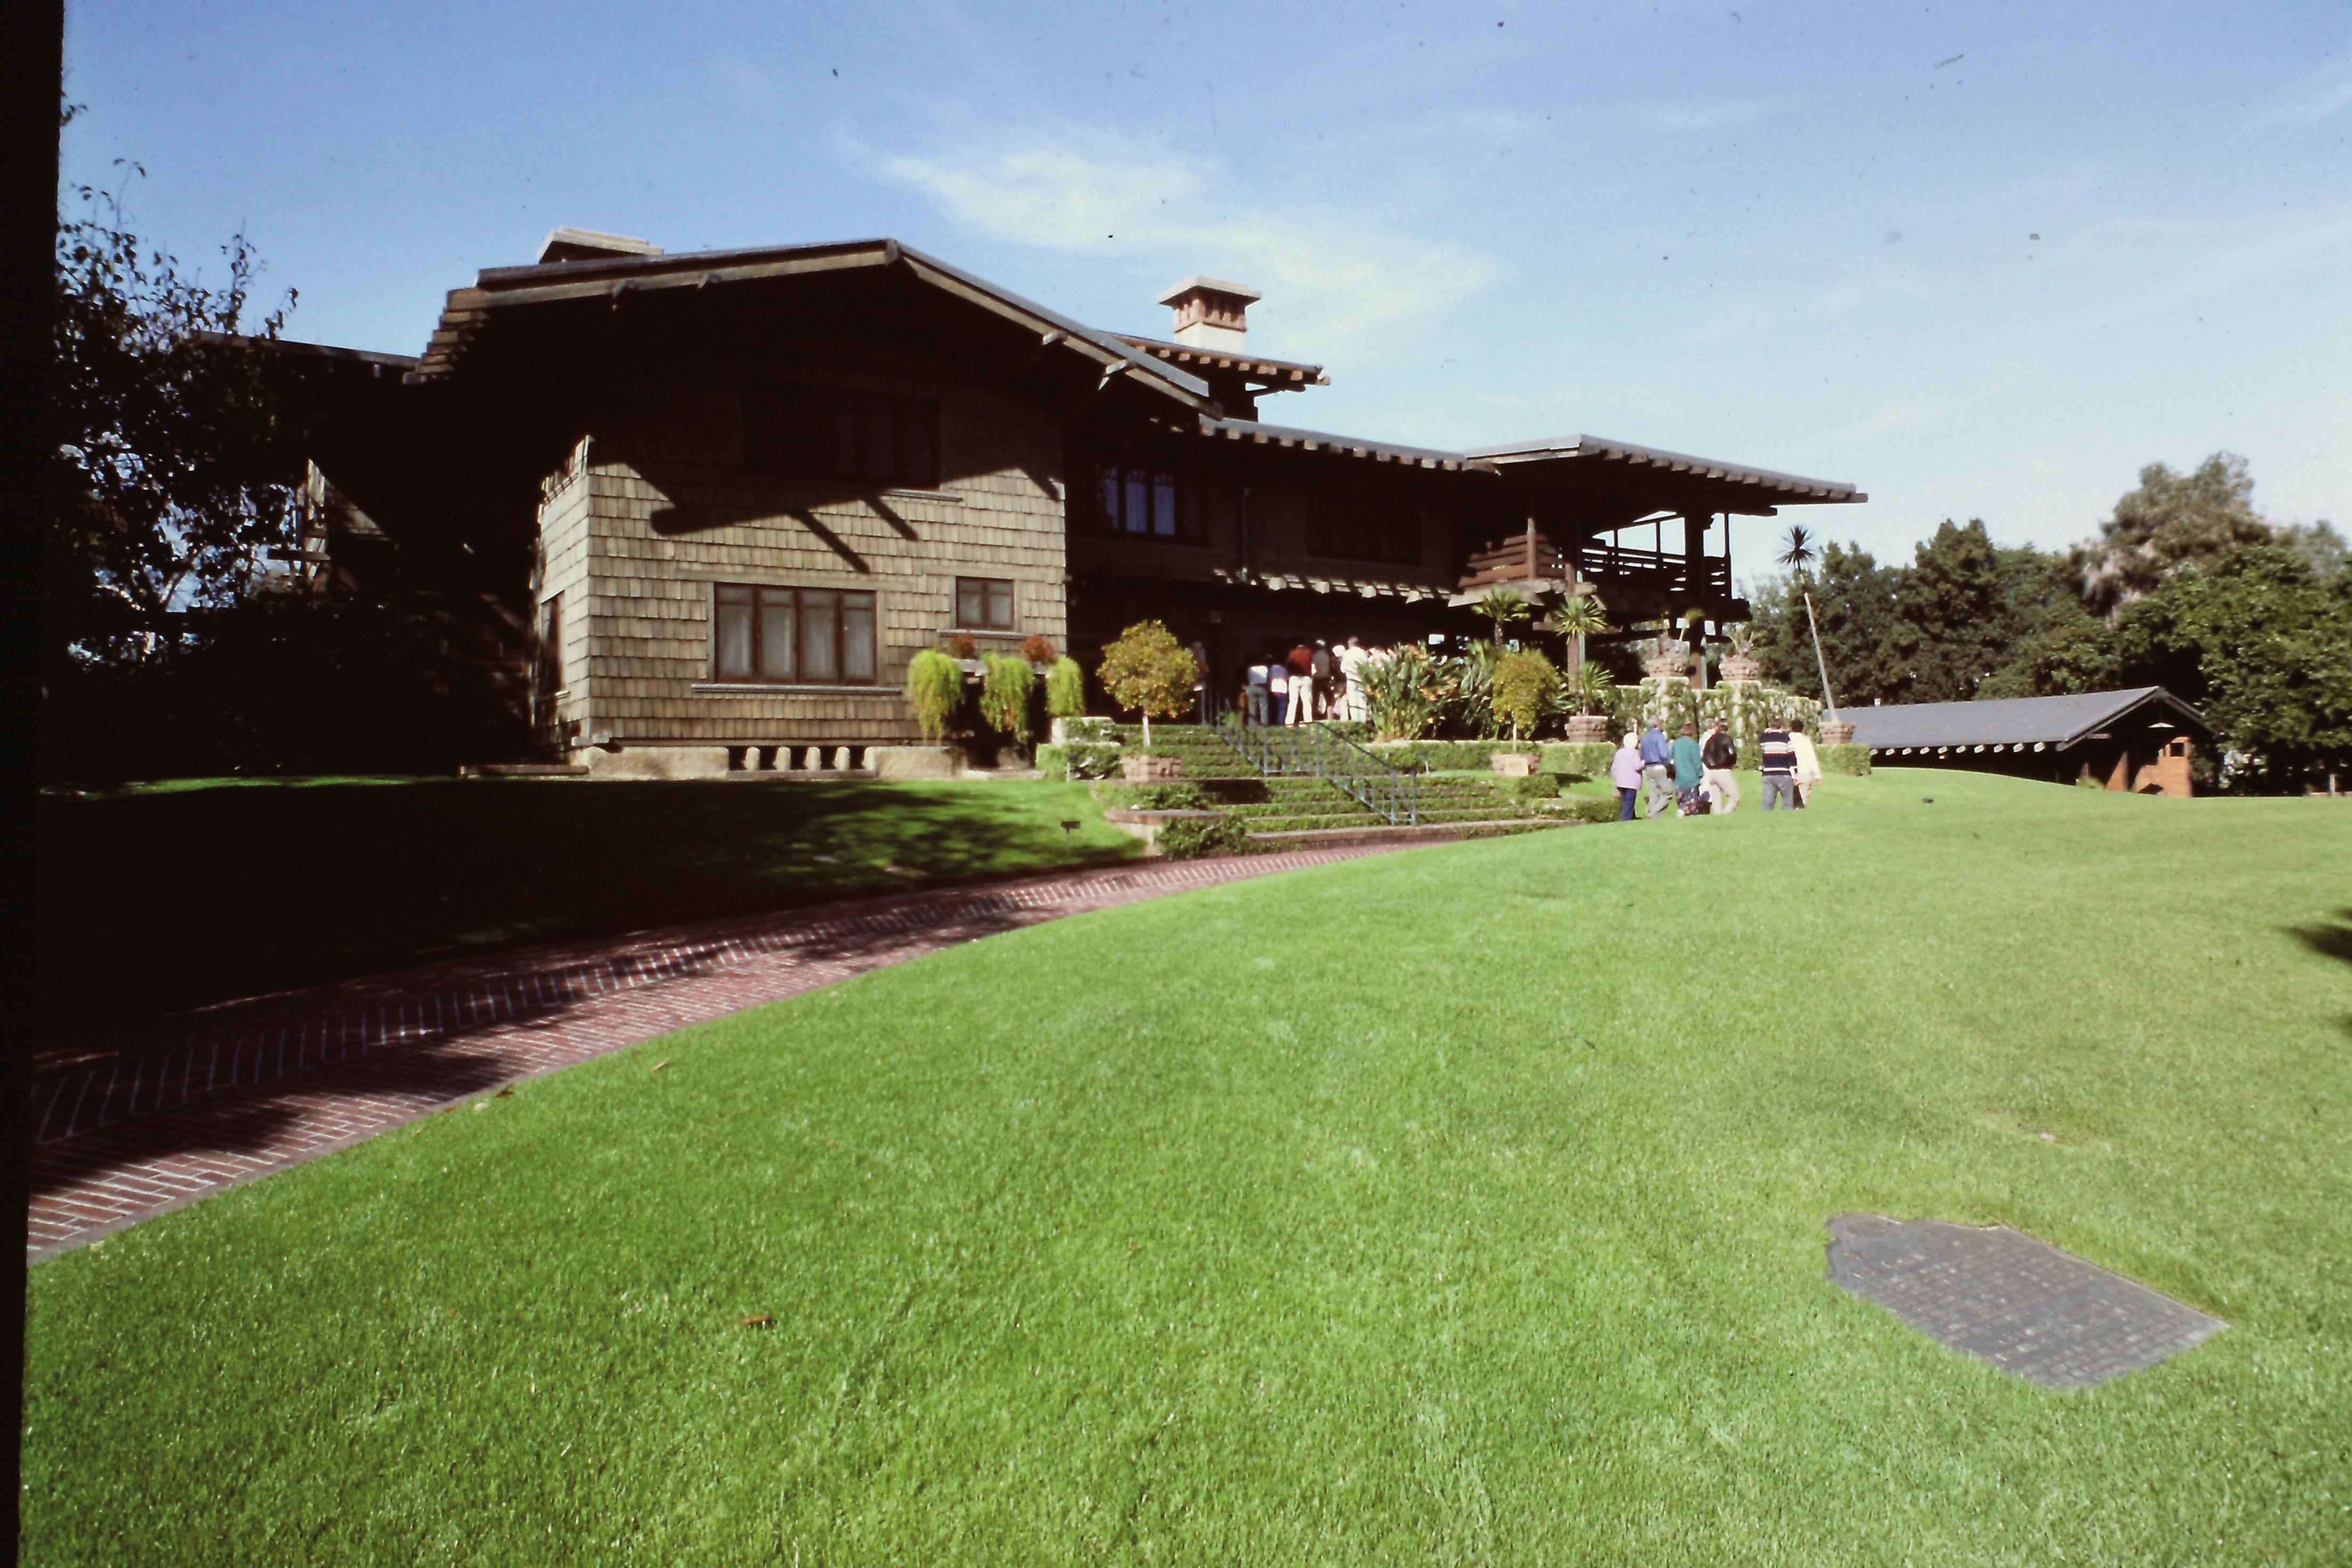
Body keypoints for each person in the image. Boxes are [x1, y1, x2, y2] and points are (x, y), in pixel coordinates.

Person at [1700, 717, 1741, 813]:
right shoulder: (1727, 739)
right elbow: (1732, 754)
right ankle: (1725, 815)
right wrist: (1730, 764)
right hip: (1723, 770)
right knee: (1735, 797)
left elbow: (1705, 755)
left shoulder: (1711, 739)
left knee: (1717, 801)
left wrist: (1709, 765)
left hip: (1711, 771)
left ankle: (1718, 819)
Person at [1760, 717, 1800, 810]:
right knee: (1788, 803)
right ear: (1783, 727)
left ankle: (1765, 820)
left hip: (1768, 774)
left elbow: (1760, 744)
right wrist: (1796, 770)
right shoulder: (1786, 738)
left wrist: (1765, 733)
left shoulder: (1765, 739)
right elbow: (1792, 756)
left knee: (1767, 803)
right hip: (1783, 774)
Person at [1639, 718, 1675, 818]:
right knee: (1669, 792)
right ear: (1658, 725)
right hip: (1659, 766)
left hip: (1648, 767)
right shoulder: (1659, 736)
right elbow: (1664, 754)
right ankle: (1653, 814)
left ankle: (1654, 817)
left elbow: (1641, 754)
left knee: (1654, 792)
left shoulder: (1645, 738)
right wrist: (1668, 764)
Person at [1671, 722, 1706, 815]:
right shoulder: (1693, 745)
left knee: (1682, 801)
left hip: (1679, 779)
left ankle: (1682, 812)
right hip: (1691, 778)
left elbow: (1670, 759)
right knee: (1692, 805)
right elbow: (1697, 762)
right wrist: (1701, 774)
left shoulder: (1676, 744)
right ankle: (1683, 813)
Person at [1610, 731, 1645, 821]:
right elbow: (1638, 766)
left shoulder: (1619, 752)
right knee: (1630, 803)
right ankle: (1625, 820)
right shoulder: (1635, 753)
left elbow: (1614, 768)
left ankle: (1632, 818)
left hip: (1621, 782)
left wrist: (1616, 778)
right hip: (1631, 783)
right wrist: (1645, 762)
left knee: (1626, 802)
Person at [1788, 720, 1823, 807]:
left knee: (1789, 802)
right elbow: (1812, 758)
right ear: (1802, 729)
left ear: (1791, 728)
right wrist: (1818, 775)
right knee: (1803, 802)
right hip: (1805, 772)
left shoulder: (1786, 739)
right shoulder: (1806, 741)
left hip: (1789, 773)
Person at [1338, 636, 1370, 722]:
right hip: (1361, 679)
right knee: (1362, 700)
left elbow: (1343, 669)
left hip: (1351, 679)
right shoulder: (1363, 653)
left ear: (1349, 644)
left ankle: (1355, 721)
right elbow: (1367, 666)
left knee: (1353, 701)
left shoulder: (1347, 654)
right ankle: (1363, 720)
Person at [1285, 641, 1316, 724]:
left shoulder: (1293, 653)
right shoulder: (1309, 652)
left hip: (1294, 678)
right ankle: (1308, 720)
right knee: (1307, 701)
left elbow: (1289, 665)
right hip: (1306, 678)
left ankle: (1290, 722)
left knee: (1293, 702)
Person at [1245, 656, 1271, 726]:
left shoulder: (1251, 669)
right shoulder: (1265, 668)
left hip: (1253, 686)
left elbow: (1248, 678)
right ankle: (1264, 723)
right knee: (1264, 707)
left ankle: (1252, 724)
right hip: (1263, 687)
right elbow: (1268, 678)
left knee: (1252, 707)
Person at [1266, 656, 1288, 727]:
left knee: (1274, 708)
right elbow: (1287, 678)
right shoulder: (1284, 669)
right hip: (1283, 689)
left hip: (1274, 690)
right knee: (1282, 708)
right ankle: (1281, 722)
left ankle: (1273, 722)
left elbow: (1268, 679)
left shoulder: (1271, 669)